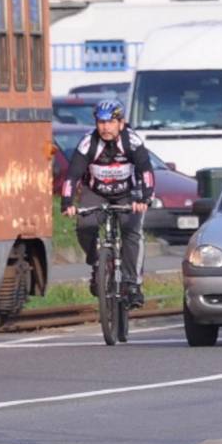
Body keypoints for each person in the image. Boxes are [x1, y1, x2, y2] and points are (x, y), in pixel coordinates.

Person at [61, 99, 154, 308]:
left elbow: (146, 171)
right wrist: (67, 202)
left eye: (111, 122)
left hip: (127, 194)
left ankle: (132, 284)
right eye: (101, 123)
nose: (105, 127)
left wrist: (144, 198)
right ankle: (97, 262)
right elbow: (72, 175)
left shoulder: (132, 142)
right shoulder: (88, 143)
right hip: (96, 192)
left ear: (121, 123)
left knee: (132, 231)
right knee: (85, 226)